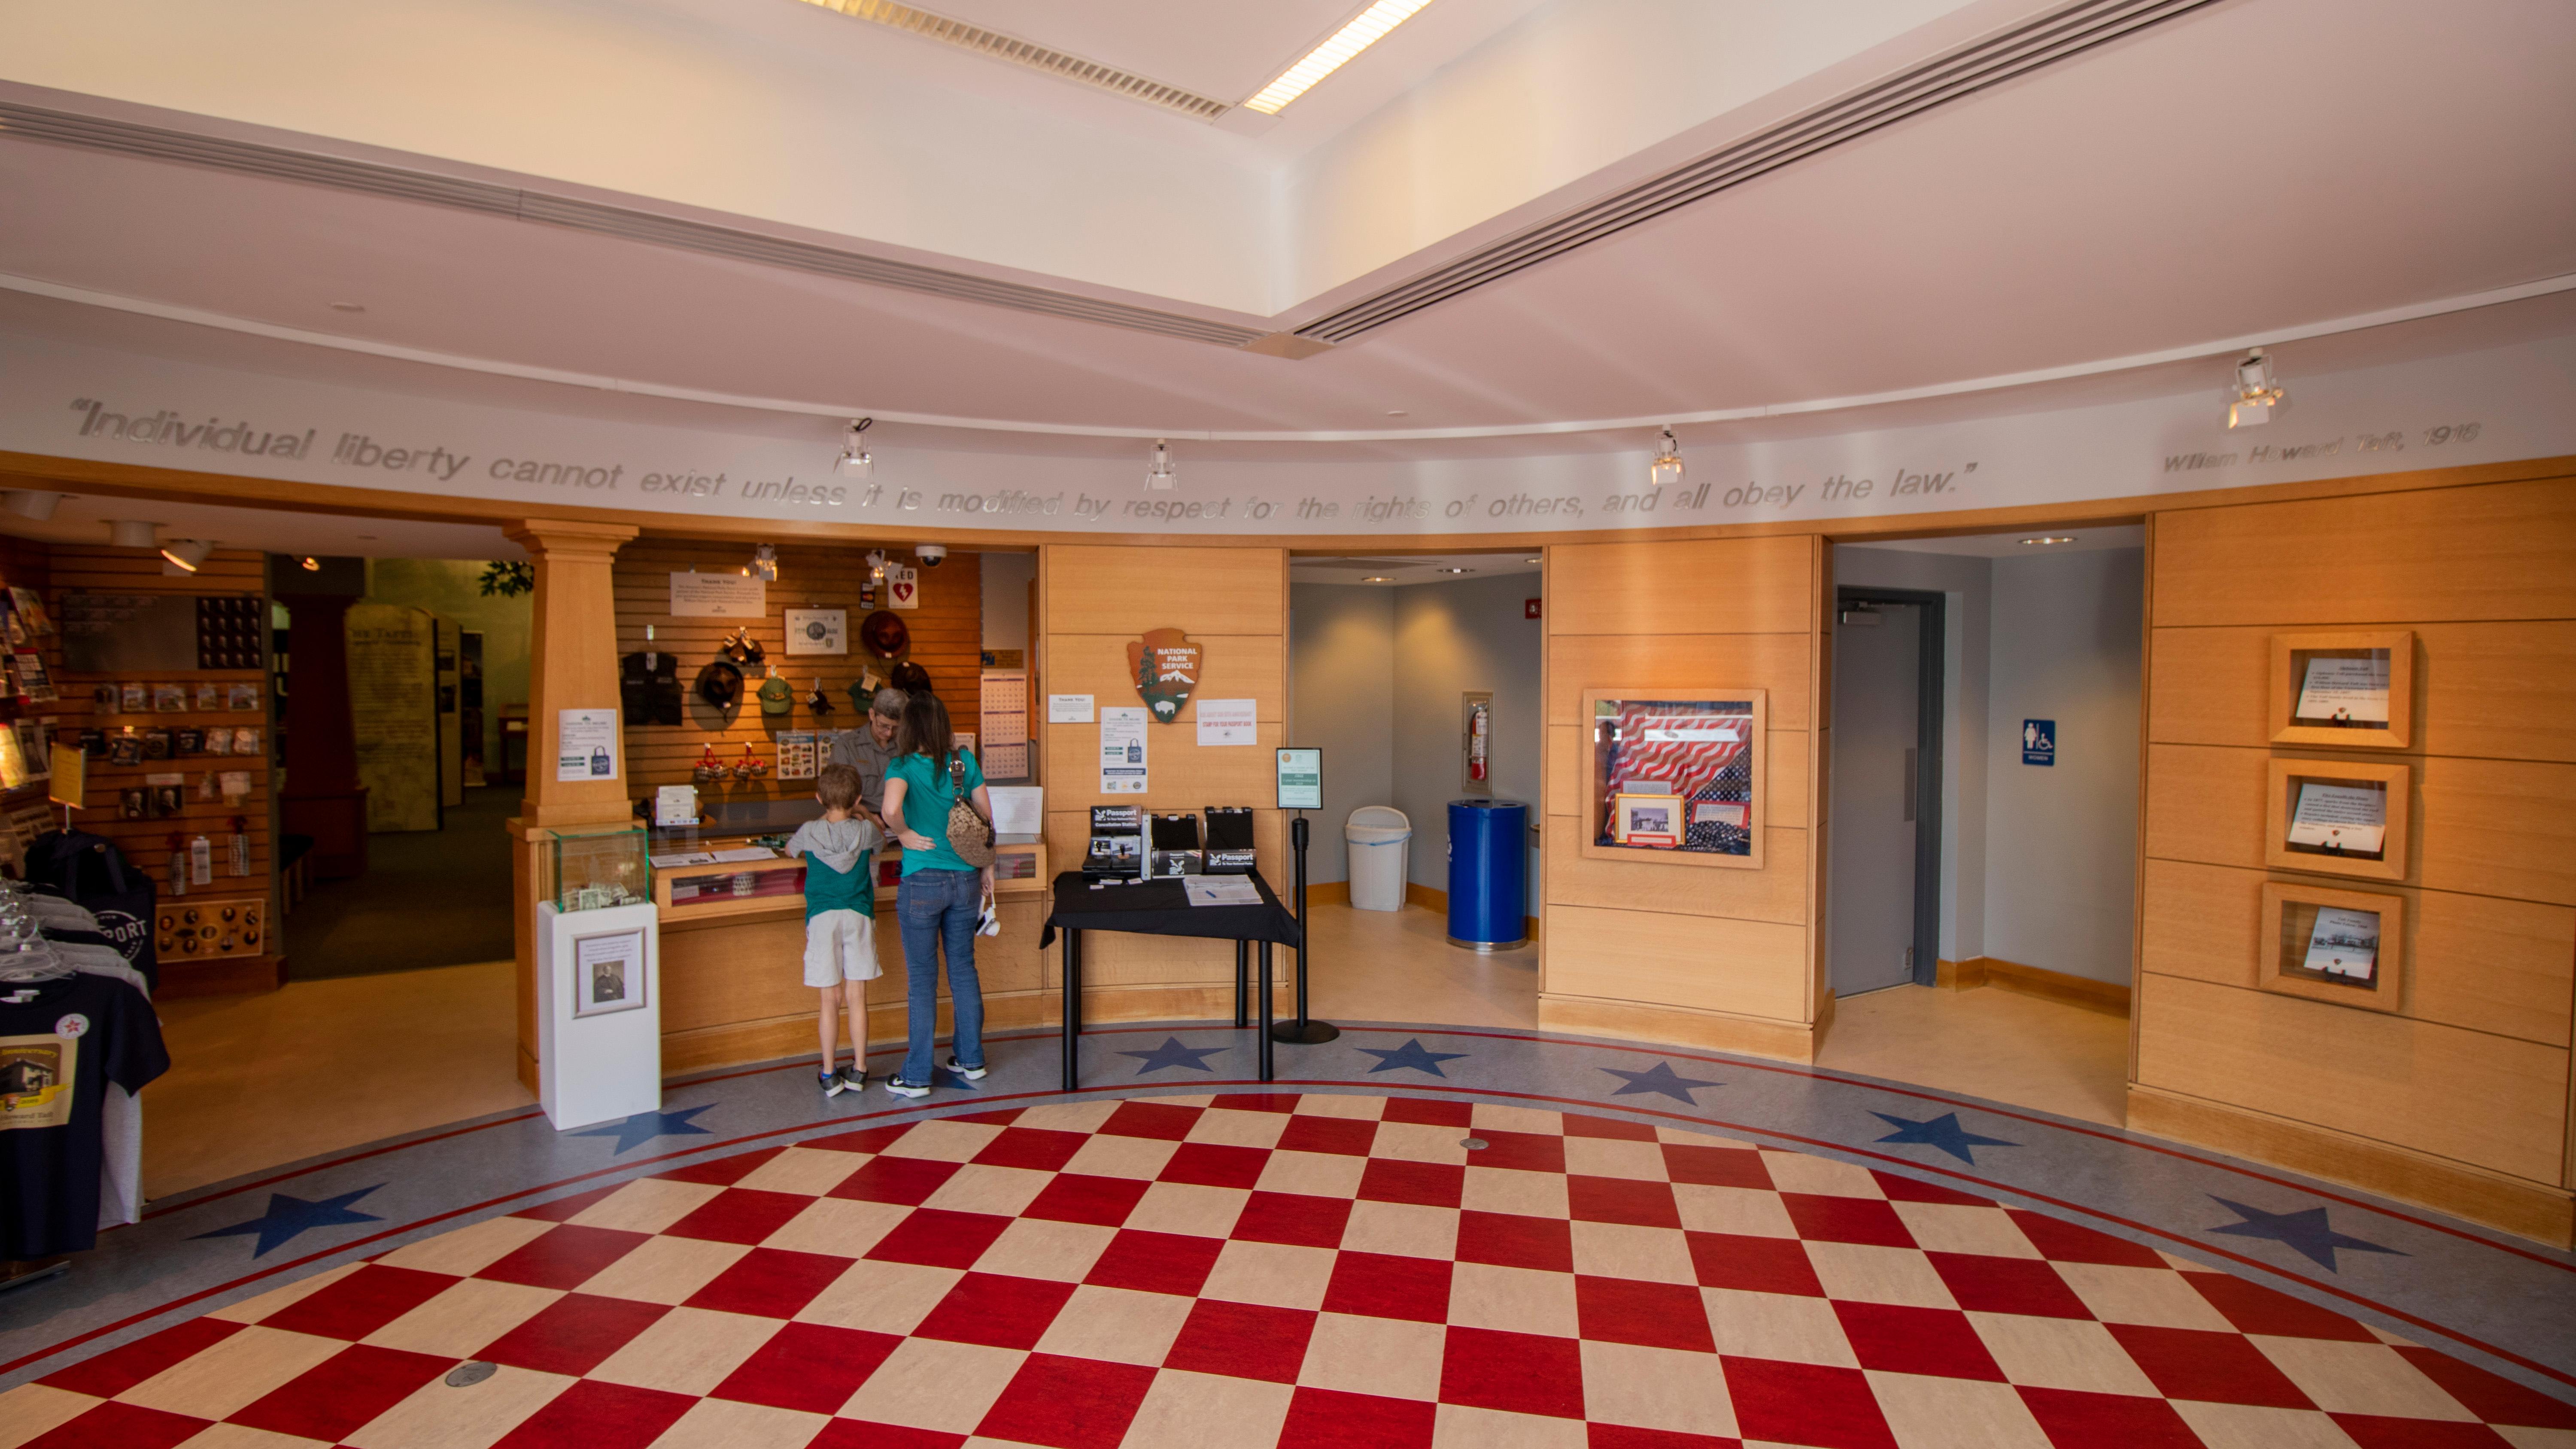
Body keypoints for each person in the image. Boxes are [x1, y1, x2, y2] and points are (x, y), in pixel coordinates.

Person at [878, 690, 994, 1097]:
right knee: (963, 968)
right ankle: (971, 1058)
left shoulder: (903, 765)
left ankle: (916, 1076)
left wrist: (906, 834)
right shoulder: (965, 763)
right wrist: (989, 868)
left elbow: (889, 809)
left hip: (922, 881)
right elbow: (986, 820)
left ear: (908, 727)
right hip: (964, 880)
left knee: (922, 980)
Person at [785, 762, 882, 1097]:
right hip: (858, 915)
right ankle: (859, 1070)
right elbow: (881, 843)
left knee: (830, 999)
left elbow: (789, 850)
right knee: (857, 998)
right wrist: (865, 816)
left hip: (823, 917)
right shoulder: (866, 832)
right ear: (857, 798)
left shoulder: (810, 831)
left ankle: (829, 1073)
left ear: (818, 798)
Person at [828, 687, 906, 821]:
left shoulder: (908, 746)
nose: (889, 733)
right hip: (859, 819)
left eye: (896, 728)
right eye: (884, 726)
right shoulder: (847, 746)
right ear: (872, 714)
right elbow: (836, 797)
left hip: (902, 818)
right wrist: (864, 815)